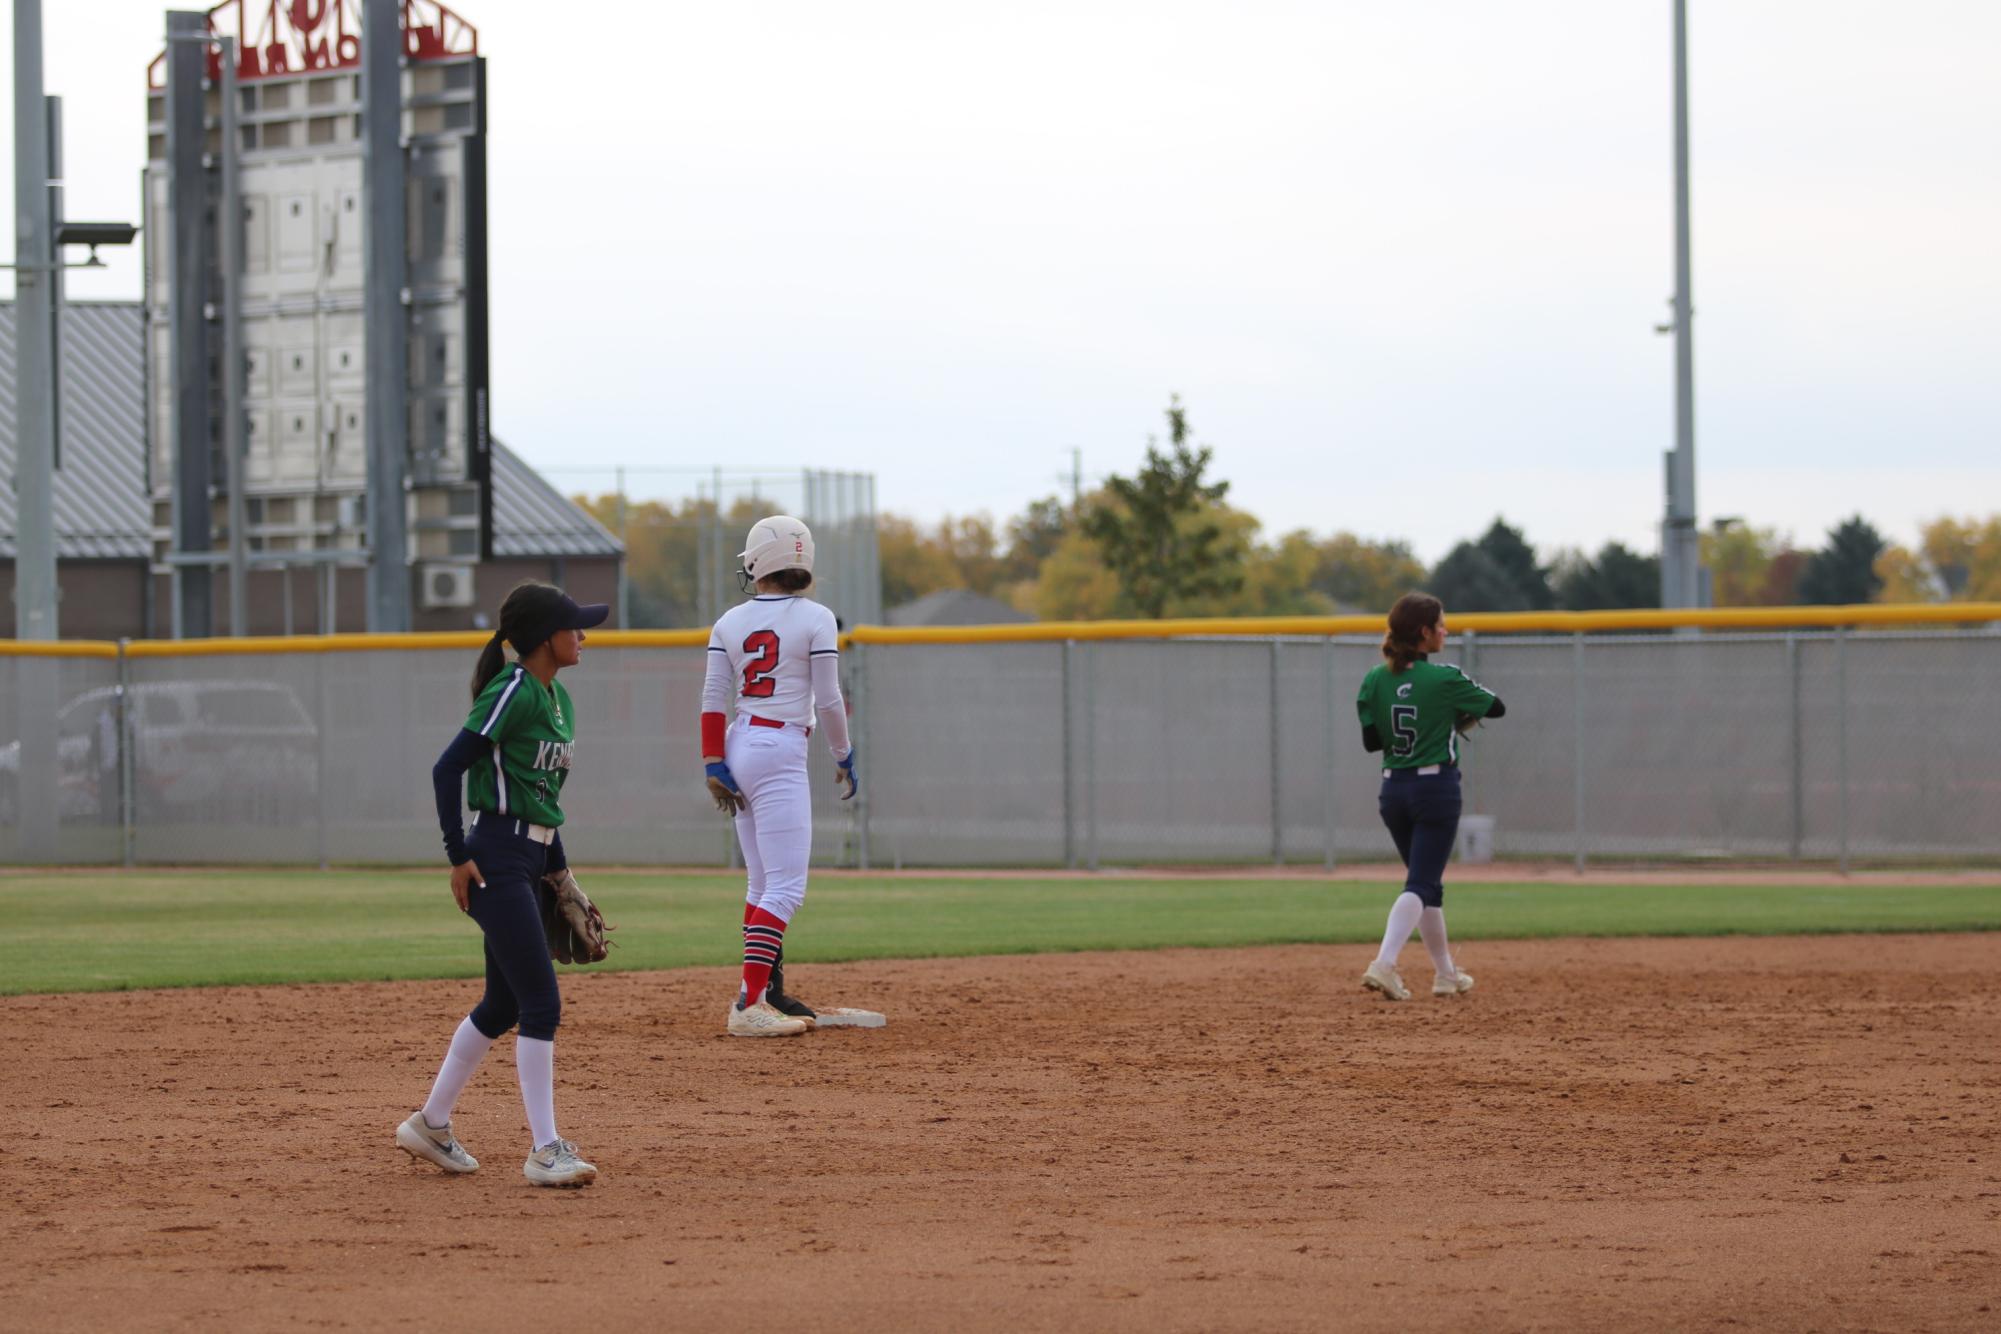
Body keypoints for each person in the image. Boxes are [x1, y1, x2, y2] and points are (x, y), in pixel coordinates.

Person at [396, 581, 608, 1186]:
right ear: (545, 638)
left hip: (530, 856)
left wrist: (560, 872)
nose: (583, 636)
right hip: (494, 856)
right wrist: (457, 855)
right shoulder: (513, 689)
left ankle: (431, 1123)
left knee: (505, 1003)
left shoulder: (557, 697)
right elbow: (448, 767)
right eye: (574, 627)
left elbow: (543, 799)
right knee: (541, 1002)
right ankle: (546, 1149)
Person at [699, 516, 859, 1037]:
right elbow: (830, 699)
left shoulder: (729, 621)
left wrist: (712, 762)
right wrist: (843, 753)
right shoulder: (816, 618)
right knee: (787, 888)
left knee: (763, 881)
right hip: (780, 746)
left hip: (740, 742)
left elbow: (711, 701)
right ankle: (748, 1002)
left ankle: (764, 995)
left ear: (757, 563)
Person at [1354, 592, 1506, 1001]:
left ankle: (1446, 975)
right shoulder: (1444, 678)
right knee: (1420, 882)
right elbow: (1496, 707)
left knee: (1427, 885)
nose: (1446, 630)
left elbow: (1372, 741)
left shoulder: (1373, 679)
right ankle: (1384, 964)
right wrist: (1451, 715)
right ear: (1424, 634)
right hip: (1435, 789)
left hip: (1393, 791)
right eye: (1440, 624)